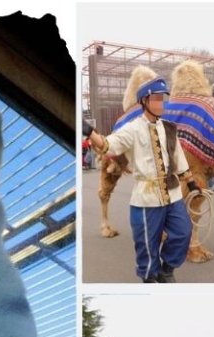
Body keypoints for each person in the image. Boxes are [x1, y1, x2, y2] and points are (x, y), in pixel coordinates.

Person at [83, 77, 200, 283]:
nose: (161, 102)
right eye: (156, 98)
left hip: (172, 194)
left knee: (183, 233)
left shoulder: (169, 128)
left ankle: (167, 269)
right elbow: (109, 145)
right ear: (144, 101)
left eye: (162, 98)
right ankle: (149, 279)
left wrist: (190, 182)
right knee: (147, 245)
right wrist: (90, 132)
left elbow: (178, 157)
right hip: (146, 199)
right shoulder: (132, 129)